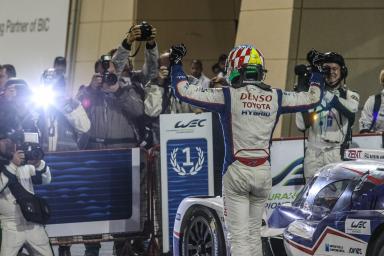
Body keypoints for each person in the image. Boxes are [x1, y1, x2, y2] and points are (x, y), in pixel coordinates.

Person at [169, 44, 324, 256]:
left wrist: (176, 63)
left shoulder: (228, 95)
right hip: (263, 173)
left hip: (236, 172)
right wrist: (317, 71)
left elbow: (182, 91)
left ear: (236, 68)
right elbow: (313, 97)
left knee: (238, 238)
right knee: (254, 235)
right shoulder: (277, 97)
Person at [77, 24, 154, 256]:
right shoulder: (91, 90)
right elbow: (75, 111)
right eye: (104, 70)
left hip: (124, 154)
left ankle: (124, 248)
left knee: (125, 206)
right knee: (94, 205)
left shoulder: (131, 88)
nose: (109, 75)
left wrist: (118, 91)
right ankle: (92, 248)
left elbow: (139, 111)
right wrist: (91, 90)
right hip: (96, 155)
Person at [296, 51, 359, 182]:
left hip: (335, 152)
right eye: (326, 69)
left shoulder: (350, 95)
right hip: (313, 153)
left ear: (343, 71)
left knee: (336, 198)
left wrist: (321, 89)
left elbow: (351, 110)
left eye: (335, 68)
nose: (331, 72)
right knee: (311, 198)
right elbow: (301, 125)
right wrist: (302, 92)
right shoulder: (312, 96)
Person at [0, 126, 53, 256]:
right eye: (4, 142)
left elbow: (46, 179)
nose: (9, 145)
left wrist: (38, 163)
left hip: (32, 222)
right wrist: (13, 165)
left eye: (11, 142)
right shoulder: (11, 164)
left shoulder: (23, 162)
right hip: (10, 226)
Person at [143, 52, 202, 145]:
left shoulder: (192, 82)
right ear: (159, 69)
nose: (170, 69)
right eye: (165, 66)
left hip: (187, 138)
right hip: (162, 142)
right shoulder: (152, 85)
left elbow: (199, 111)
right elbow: (152, 112)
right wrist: (159, 84)